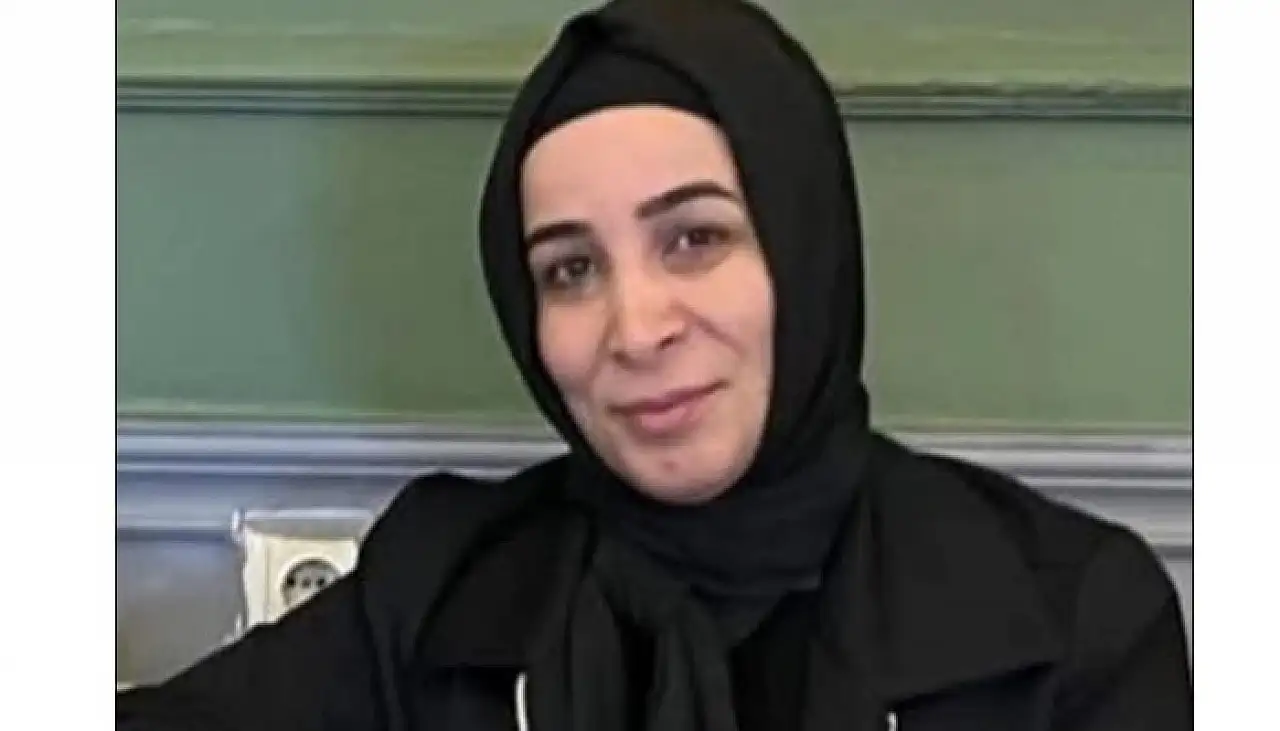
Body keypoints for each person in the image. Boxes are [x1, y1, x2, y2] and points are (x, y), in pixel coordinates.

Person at [116, 0, 1192, 729]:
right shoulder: (443, 582)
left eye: (694, 238)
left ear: (804, 251)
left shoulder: (1070, 617)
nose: (634, 329)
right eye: (571, 269)